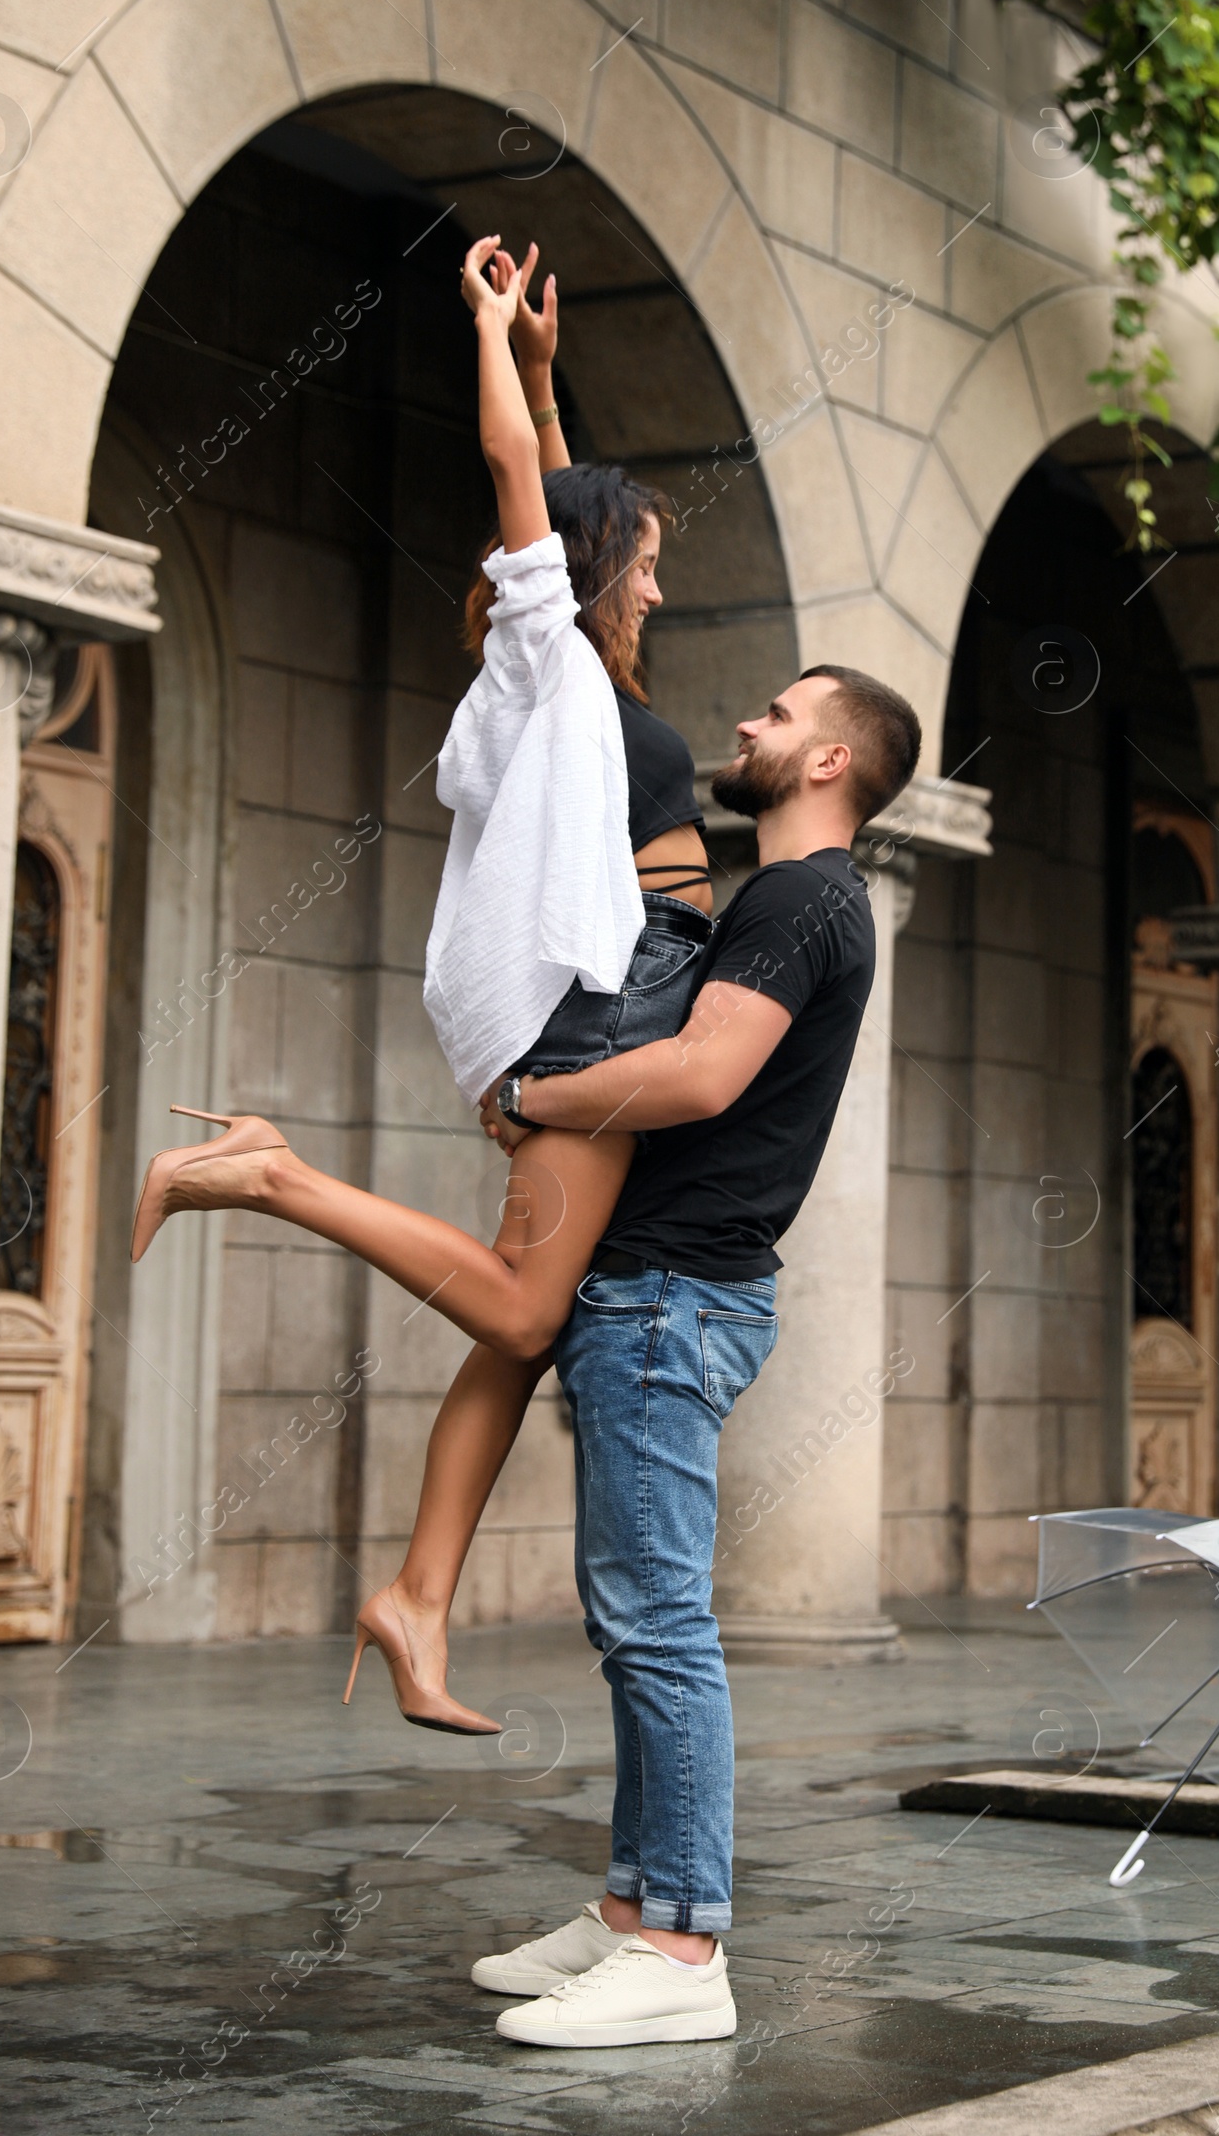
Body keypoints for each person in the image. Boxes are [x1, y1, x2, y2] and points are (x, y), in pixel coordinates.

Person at [131, 233, 716, 1732]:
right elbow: (534, 494)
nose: (664, 565)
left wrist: (543, 368)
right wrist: (489, 336)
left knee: (517, 1328)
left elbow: (570, 501)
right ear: (590, 571)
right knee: (527, 1317)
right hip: (581, 1012)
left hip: (580, 1003)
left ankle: (416, 1598)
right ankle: (266, 1176)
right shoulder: (543, 655)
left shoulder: (584, 678)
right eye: (646, 552)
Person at [472, 657, 921, 2050]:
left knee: (659, 1622)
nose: (749, 722)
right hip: (667, 1293)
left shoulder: (801, 898)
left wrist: (535, 1091)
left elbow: (704, 1073)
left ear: (836, 761)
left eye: (783, 715)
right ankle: (631, 1909)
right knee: (636, 1618)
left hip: (673, 1297)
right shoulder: (790, 903)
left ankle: (681, 1949)